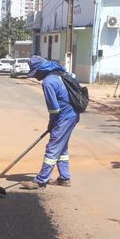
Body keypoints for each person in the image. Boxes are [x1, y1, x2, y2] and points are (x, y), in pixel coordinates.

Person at [21, 56, 79, 189]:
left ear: (41, 70)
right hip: (73, 115)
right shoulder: (59, 75)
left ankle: (41, 180)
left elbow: (54, 109)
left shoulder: (48, 82)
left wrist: (52, 123)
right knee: (61, 147)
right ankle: (64, 178)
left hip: (64, 117)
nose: (35, 76)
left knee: (52, 148)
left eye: (35, 73)